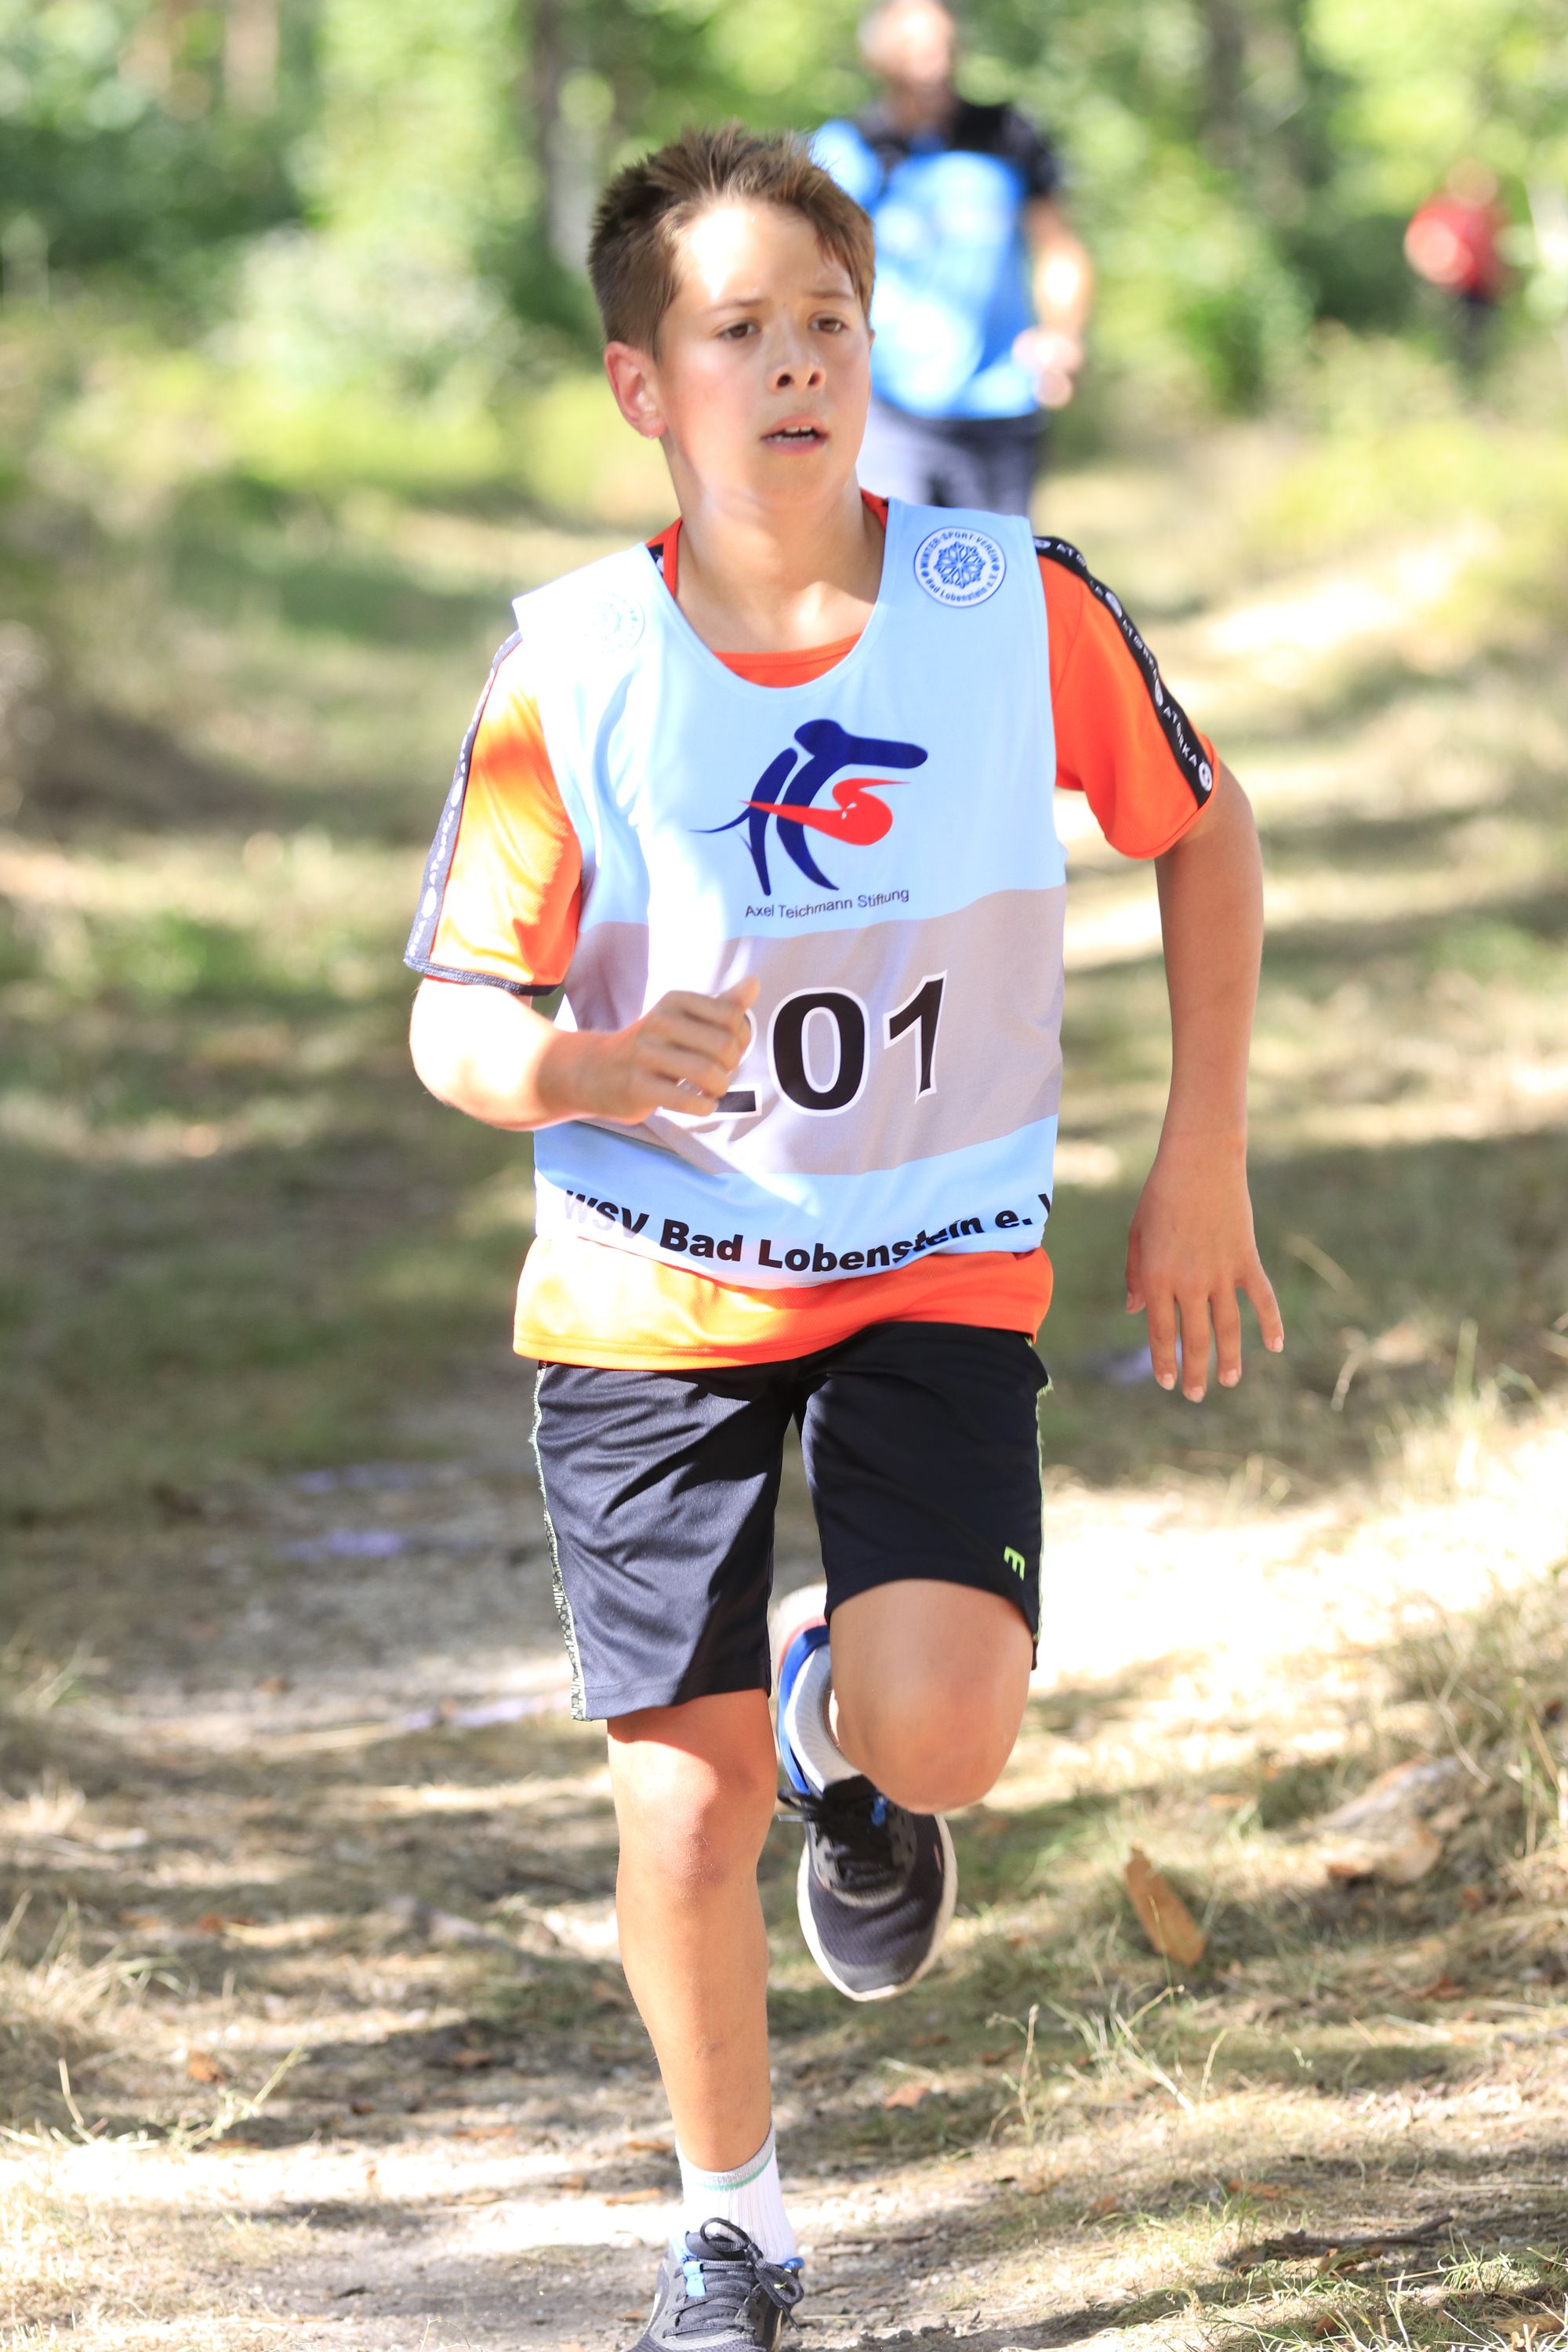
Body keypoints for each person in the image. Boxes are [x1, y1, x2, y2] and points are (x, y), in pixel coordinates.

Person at [405, 124, 1281, 2352]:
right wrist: (588, 1065)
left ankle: (842, 1728)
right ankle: (734, 2229)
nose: (795, 364)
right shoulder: (573, 666)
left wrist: (1200, 1153)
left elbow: (1201, 830)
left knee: (949, 1730)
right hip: (650, 1284)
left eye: (829, 324)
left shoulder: (1008, 604)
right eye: (739, 330)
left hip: (930, 1251)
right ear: (641, 384)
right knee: (676, 1811)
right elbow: (452, 1018)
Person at [811, 0, 1091, 517]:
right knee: (889, 556)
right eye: (915, 50)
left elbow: (1057, 246)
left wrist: (1062, 335)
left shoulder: (1009, 136)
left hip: (1000, 400)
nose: (934, 64)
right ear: (879, 59)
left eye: (944, 47)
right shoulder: (851, 148)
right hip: (886, 403)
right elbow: (810, 267)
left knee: (991, 562)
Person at [1405, 162, 1508, 378]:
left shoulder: (1489, 215)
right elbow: (1418, 242)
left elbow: (1496, 251)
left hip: (1480, 292)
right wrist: (1441, 267)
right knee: (1445, 339)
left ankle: (1474, 379)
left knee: (1477, 342)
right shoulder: (1440, 210)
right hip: (1446, 289)